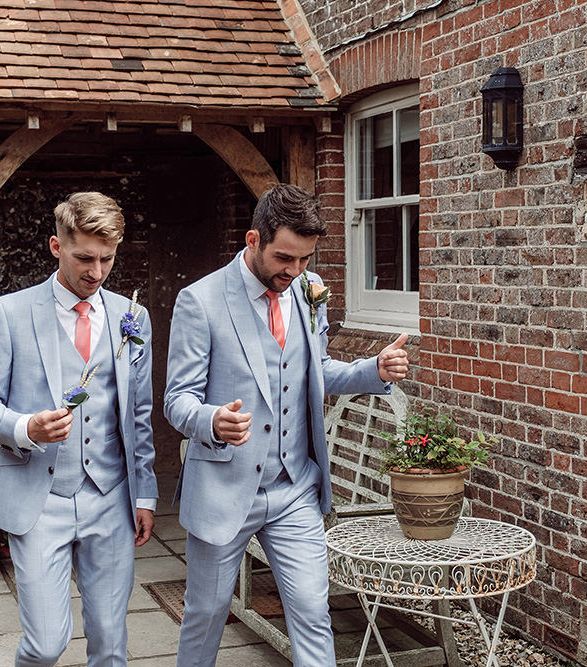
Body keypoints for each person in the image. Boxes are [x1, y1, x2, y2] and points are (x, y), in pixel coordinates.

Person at [165, 184, 409, 667]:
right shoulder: (200, 300)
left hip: (294, 487)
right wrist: (212, 420)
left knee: (312, 611)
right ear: (254, 239)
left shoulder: (308, 291)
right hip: (225, 487)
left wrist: (372, 369)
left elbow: (317, 370)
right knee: (207, 612)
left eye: (304, 260)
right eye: (284, 259)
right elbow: (177, 400)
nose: (294, 272)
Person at [0, 192, 158, 666]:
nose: (96, 271)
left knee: (111, 644)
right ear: (56, 246)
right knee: (46, 644)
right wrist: (25, 426)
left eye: (107, 259)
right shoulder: (9, 313)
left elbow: (139, 414)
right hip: (39, 498)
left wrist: (144, 494)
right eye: (84, 257)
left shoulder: (134, 319)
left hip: (110, 497)